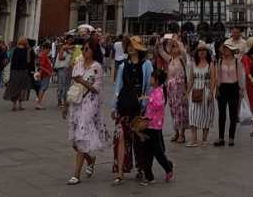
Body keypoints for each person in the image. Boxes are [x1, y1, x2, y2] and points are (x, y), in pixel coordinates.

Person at [66, 36, 107, 185]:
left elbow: (96, 89)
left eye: (87, 49)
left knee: (81, 135)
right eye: (83, 48)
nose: (84, 51)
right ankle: (90, 159)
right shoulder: (78, 64)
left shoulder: (97, 67)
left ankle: (76, 174)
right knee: (75, 142)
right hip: (76, 102)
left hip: (89, 103)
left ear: (94, 51)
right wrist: (66, 104)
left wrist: (82, 81)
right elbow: (73, 86)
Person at [112, 36, 153, 185]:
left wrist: (146, 102)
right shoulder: (123, 65)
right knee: (121, 137)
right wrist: (114, 106)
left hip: (139, 107)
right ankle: (120, 172)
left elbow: (149, 85)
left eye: (133, 45)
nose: (130, 47)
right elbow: (118, 86)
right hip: (124, 105)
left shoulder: (146, 64)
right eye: (128, 45)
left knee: (138, 139)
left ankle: (141, 168)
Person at [135, 68, 174, 184]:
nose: (150, 79)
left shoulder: (159, 91)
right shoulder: (153, 90)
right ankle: (149, 176)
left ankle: (168, 168)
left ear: (157, 80)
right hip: (148, 125)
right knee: (147, 152)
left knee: (158, 152)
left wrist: (148, 98)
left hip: (155, 127)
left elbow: (159, 105)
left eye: (152, 77)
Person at [158, 35, 189, 144]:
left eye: (175, 47)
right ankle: (176, 131)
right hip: (171, 88)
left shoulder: (182, 58)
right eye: (172, 47)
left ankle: (182, 133)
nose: (174, 49)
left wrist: (177, 42)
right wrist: (162, 41)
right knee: (173, 110)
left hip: (180, 88)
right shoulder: (170, 59)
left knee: (181, 110)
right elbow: (161, 51)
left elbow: (183, 51)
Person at [214, 41, 245, 147]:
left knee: (233, 115)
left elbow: (240, 76)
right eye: (224, 49)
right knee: (221, 114)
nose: (225, 50)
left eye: (227, 49)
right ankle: (221, 138)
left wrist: (241, 89)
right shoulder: (220, 61)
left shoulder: (237, 62)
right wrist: (216, 88)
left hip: (234, 88)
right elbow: (218, 75)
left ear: (232, 51)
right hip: (222, 88)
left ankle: (231, 137)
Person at [186, 41, 216, 147]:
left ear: (207, 52)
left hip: (206, 92)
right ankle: (193, 139)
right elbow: (191, 80)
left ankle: (204, 139)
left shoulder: (210, 64)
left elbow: (213, 80)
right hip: (195, 92)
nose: (202, 52)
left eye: (204, 50)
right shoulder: (193, 64)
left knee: (206, 115)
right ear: (197, 52)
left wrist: (211, 93)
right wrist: (187, 92)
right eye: (200, 50)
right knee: (193, 115)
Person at [3, 36, 35, 111]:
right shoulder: (27, 50)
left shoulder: (14, 50)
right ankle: (20, 105)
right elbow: (28, 61)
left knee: (14, 87)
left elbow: (11, 60)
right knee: (22, 88)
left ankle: (14, 105)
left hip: (14, 71)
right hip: (23, 71)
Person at [55, 36, 74, 108]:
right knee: (61, 84)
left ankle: (65, 100)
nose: (70, 41)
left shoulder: (72, 49)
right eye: (69, 39)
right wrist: (66, 56)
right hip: (62, 68)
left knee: (67, 85)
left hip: (69, 68)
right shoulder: (63, 47)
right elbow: (60, 57)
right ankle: (59, 100)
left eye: (71, 40)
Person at [35, 41, 53, 109]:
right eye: (49, 49)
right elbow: (41, 66)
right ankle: (39, 103)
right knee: (43, 88)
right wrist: (47, 71)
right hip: (45, 74)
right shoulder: (43, 55)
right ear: (46, 48)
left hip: (45, 74)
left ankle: (39, 102)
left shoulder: (44, 55)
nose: (49, 51)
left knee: (43, 88)